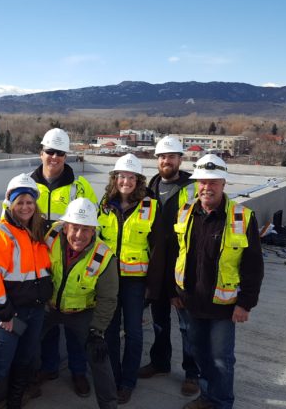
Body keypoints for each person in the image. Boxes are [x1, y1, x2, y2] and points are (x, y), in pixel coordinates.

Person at [172, 154, 264, 409]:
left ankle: (222, 402)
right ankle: (207, 396)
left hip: (223, 306)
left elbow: (253, 265)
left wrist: (245, 304)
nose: (206, 187)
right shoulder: (185, 213)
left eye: (213, 182)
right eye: (202, 181)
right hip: (190, 302)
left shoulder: (241, 217)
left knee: (221, 359)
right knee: (200, 354)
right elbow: (177, 253)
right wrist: (175, 291)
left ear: (224, 183)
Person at [0, 173, 53, 409]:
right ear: (10, 203)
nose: (25, 207)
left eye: (30, 202)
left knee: (24, 361)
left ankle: (14, 404)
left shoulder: (36, 232)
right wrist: (4, 313)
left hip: (35, 311)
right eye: (20, 202)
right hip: (10, 315)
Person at [32, 127, 98, 397]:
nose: (55, 157)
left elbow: (96, 225)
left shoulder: (79, 187)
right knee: (46, 324)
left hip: (72, 263)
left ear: (66, 156)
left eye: (60, 153)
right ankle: (49, 368)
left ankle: (78, 372)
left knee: (74, 324)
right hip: (39, 266)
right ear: (41, 153)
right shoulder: (27, 184)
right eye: (50, 151)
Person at [39, 198, 119, 408]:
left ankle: (109, 403)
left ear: (94, 231)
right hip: (49, 305)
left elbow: (108, 298)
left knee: (99, 355)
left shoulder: (104, 256)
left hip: (82, 312)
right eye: (75, 228)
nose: (79, 235)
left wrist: (97, 331)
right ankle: (25, 384)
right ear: (65, 227)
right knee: (26, 342)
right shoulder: (52, 236)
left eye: (86, 229)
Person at [97, 153, 162, 404]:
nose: (126, 181)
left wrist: (152, 286)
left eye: (131, 177)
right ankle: (113, 377)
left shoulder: (151, 207)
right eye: (122, 176)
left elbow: (157, 251)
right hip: (109, 280)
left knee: (134, 333)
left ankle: (128, 382)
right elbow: (96, 244)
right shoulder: (103, 205)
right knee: (110, 331)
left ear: (139, 180)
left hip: (136, 282)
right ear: (114, 178)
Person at [139, 136, 201, 397]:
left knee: (187, 325)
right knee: (159, 322)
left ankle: (192, 374)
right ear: (157, 160)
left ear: (180, 159)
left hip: (181, 269)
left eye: (172, 156)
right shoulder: (149, 187)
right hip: (156, 268)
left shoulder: (193, 187)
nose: (167, 161)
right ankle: (160, 363)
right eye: (163, 157)